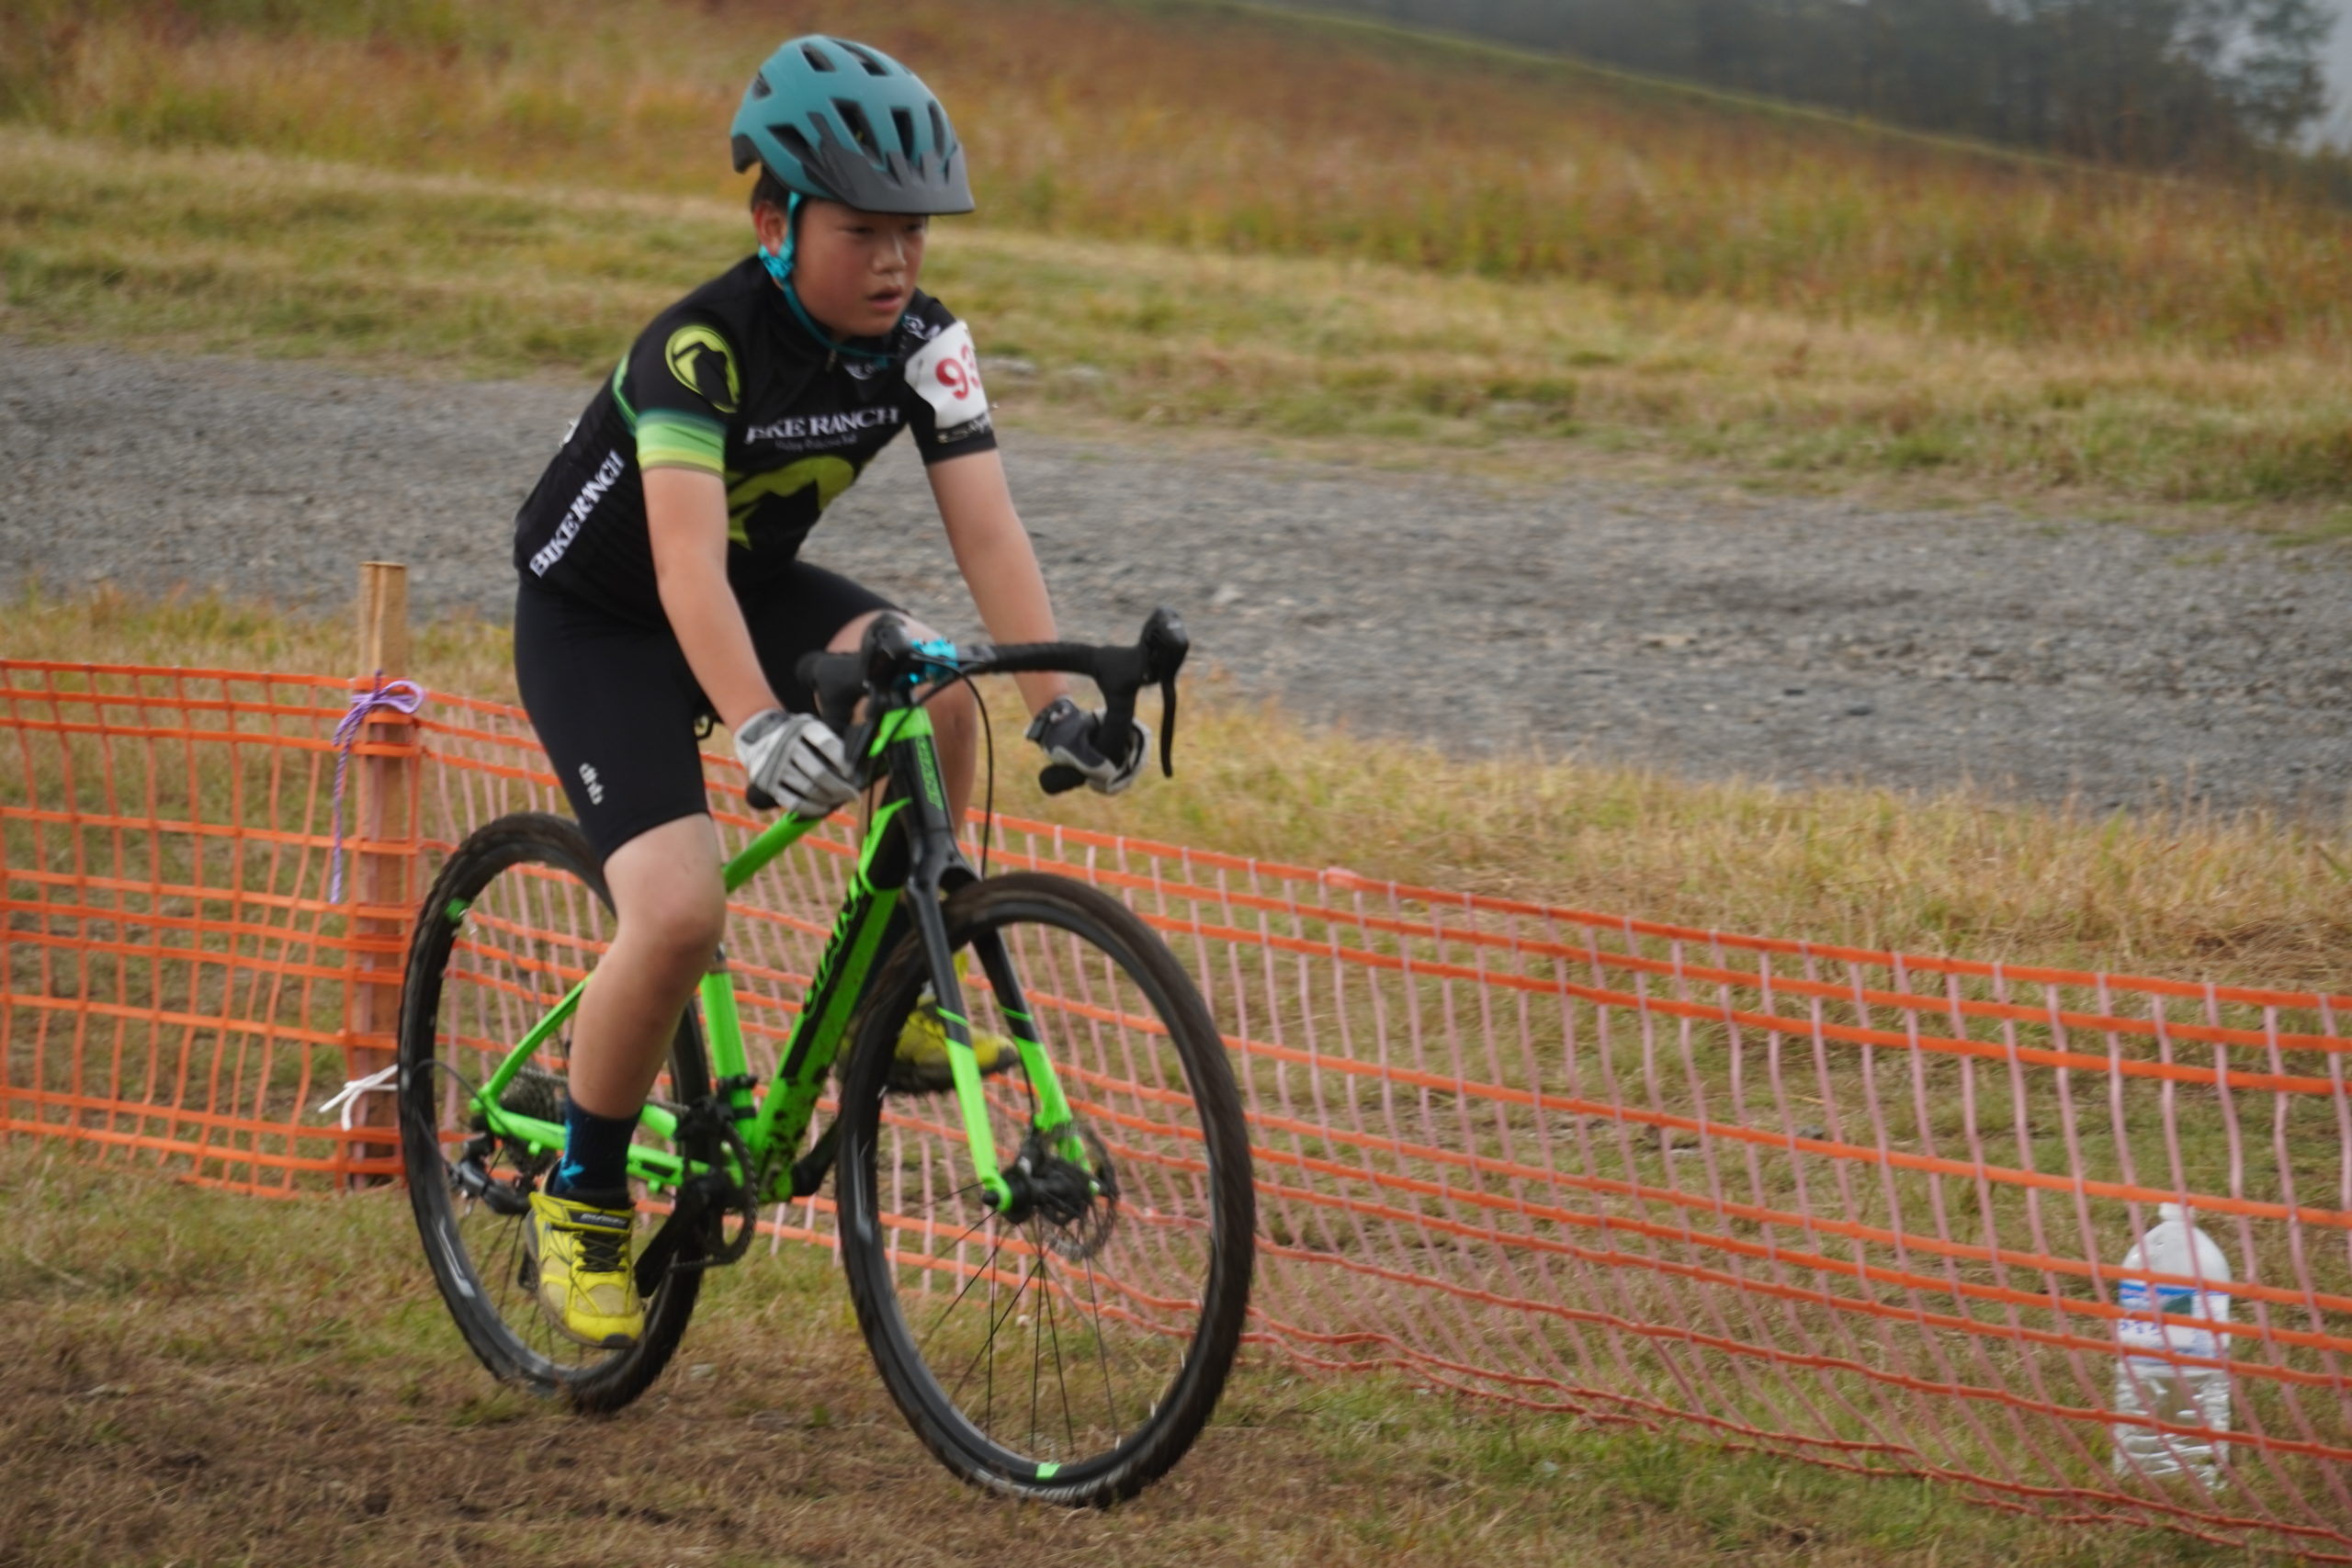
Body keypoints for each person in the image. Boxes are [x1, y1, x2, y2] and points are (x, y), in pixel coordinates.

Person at [506, 33, 1148, 1348]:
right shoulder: (699, 350)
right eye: (863, 231)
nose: (896, 260)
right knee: (678, 914)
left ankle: (894, 989)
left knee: (939, 688)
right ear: (775, 223)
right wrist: (757, 725)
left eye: (914, 232)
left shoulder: (926, 343)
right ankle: (581, 1190)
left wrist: (1052, 706)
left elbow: (989, 531)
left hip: (746, 585)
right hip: (605, 621)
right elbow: (683, 571)